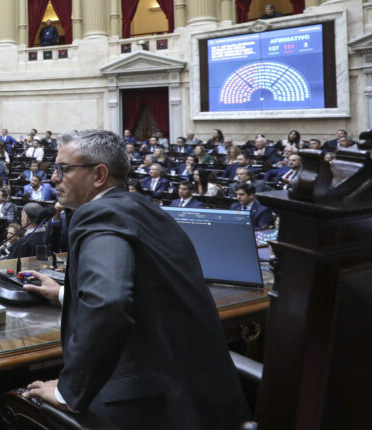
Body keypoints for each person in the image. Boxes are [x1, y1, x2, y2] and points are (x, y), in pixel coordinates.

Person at [20, 130, 249, 429]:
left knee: (19, 403)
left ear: (99, 175)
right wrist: (64, 293)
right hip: (206, 396)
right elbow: (145, 293)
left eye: (63, 169)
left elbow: (109, 303)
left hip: (159, 408)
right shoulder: (143, 209)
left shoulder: (97, 215)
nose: (53, 178)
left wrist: (68, 392)